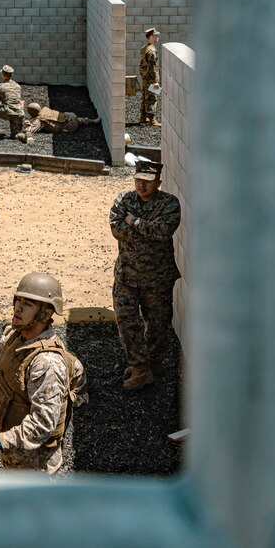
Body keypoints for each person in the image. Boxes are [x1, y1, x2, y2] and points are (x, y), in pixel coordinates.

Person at [0, 272, 87, 473]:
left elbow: (42, 424)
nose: (18, 307)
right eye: (17, 300)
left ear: (46, 313)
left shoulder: (46, 364)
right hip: (16, 452)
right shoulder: (18, 336)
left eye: (28, 304)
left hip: (35, 465)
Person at [109, 159, 181, 390]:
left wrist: (133, 221)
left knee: (158, 324)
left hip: (157, 279)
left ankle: (152, 362)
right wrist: (147, 227)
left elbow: (164, 231)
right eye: (139, 180)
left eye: (148, 182)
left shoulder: (170, 204)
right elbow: (116, 229)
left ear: (158, 182)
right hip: (127, 276)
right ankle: (139, 367)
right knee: (127, 322)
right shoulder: (124, 199)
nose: (142, 186)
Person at [16, 102, 101, 143]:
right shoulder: (45, 110)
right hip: (71, 116)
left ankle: (68, 131)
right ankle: (93, 121)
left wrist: (21, 134)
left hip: (69, 126)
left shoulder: (39, 120)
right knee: (78, 120)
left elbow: (30, 130)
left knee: (63, 129)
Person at [0, 64, 25, 139]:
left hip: (7, 111)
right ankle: (24, 136)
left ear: (3, 74)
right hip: (19, 113)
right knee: (15, 136)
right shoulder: (17, 86)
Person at [139, 27, 161, 126]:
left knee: (144, 97)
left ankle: (143, 117)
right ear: (151, 37)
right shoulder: (152, 51)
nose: (158, 37)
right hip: (150, 78)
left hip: (145, 77)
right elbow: (152, 67)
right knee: (152, 97)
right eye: (156, 36)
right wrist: (154, 81)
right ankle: (152, 119)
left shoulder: (144, 48)